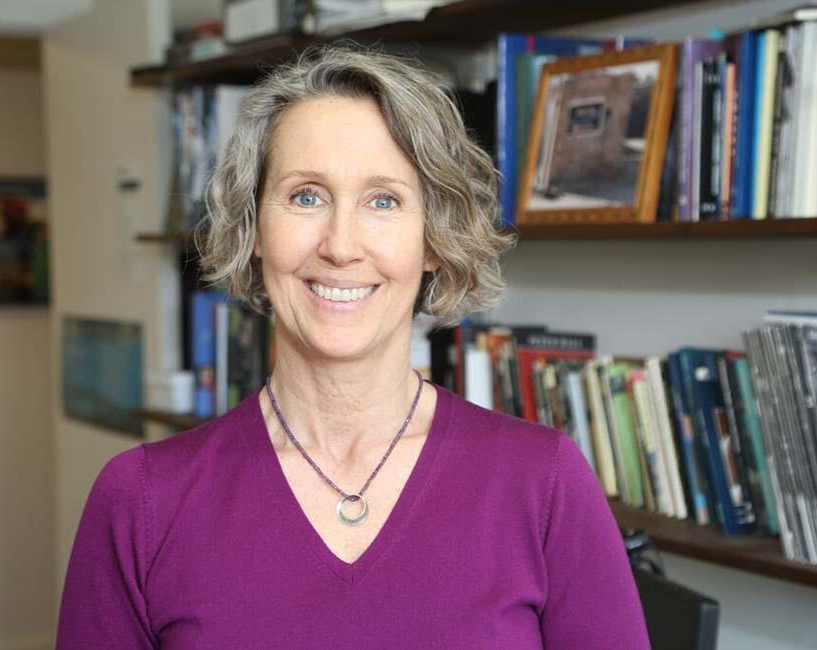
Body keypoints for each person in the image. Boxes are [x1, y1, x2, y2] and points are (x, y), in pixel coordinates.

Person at [56, 44, 650, 649]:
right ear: (254, 227)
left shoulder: (543, 483)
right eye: (306, 195)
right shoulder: (142, 500)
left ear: (434, 241)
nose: (341, 246)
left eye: (384, 200)